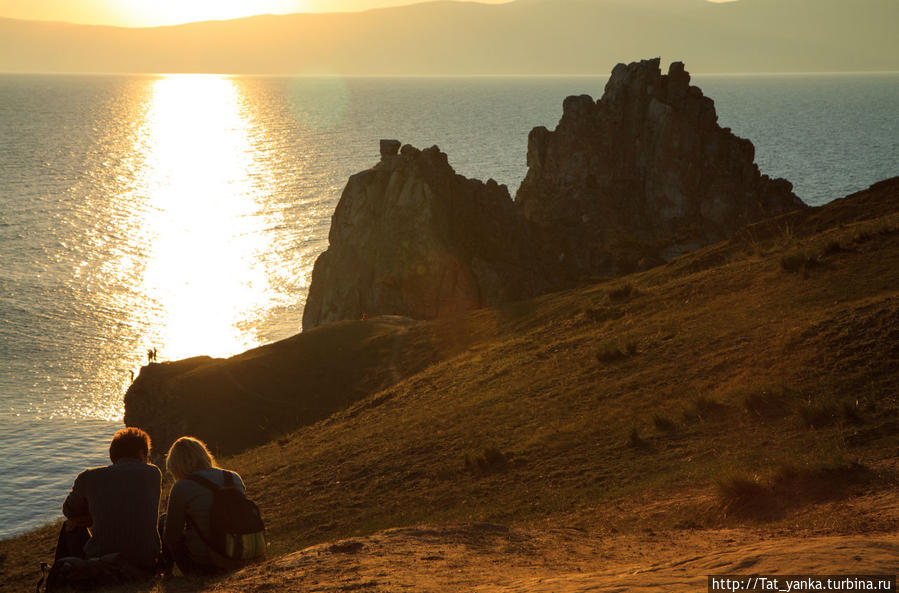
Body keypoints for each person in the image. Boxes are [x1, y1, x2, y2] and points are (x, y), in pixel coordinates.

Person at [57, 427, 162, 574]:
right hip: (146, 562)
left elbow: (69, 510)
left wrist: (91, 516)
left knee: (70, 525)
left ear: (113, 454)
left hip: (102, 562)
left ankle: (68, 576)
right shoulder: (153, 473)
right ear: (141, 453)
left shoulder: (88, 477)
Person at [162, 436, 247, 575]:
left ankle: (165, 573)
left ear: (175, 464)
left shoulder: (182, 487)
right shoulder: (233, 477)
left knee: (163, 521)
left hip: (205, 563)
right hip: (241, 554)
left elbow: (172, 537)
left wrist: (172, 510)